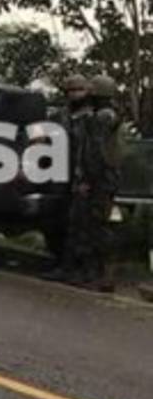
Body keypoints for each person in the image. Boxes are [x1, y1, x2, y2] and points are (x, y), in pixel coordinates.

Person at [42, 74, 93, 283]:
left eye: (79, 90)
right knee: (56, 223)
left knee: (79, 226)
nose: (75, 94)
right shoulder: (60, 116)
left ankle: (75, 267)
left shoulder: (91, 117)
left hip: (81, 177)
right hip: (58, 175)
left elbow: (93, 152)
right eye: (71, 90)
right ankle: (60, 263)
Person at [73, 75, 121, 292]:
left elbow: (95, 154)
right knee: (99, 225)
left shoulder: (100, 119)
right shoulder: (109, 116)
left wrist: (87, 180)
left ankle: (99, 276)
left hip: (100, 180)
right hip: (106, 179)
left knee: (96, 226)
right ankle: (101, 275)